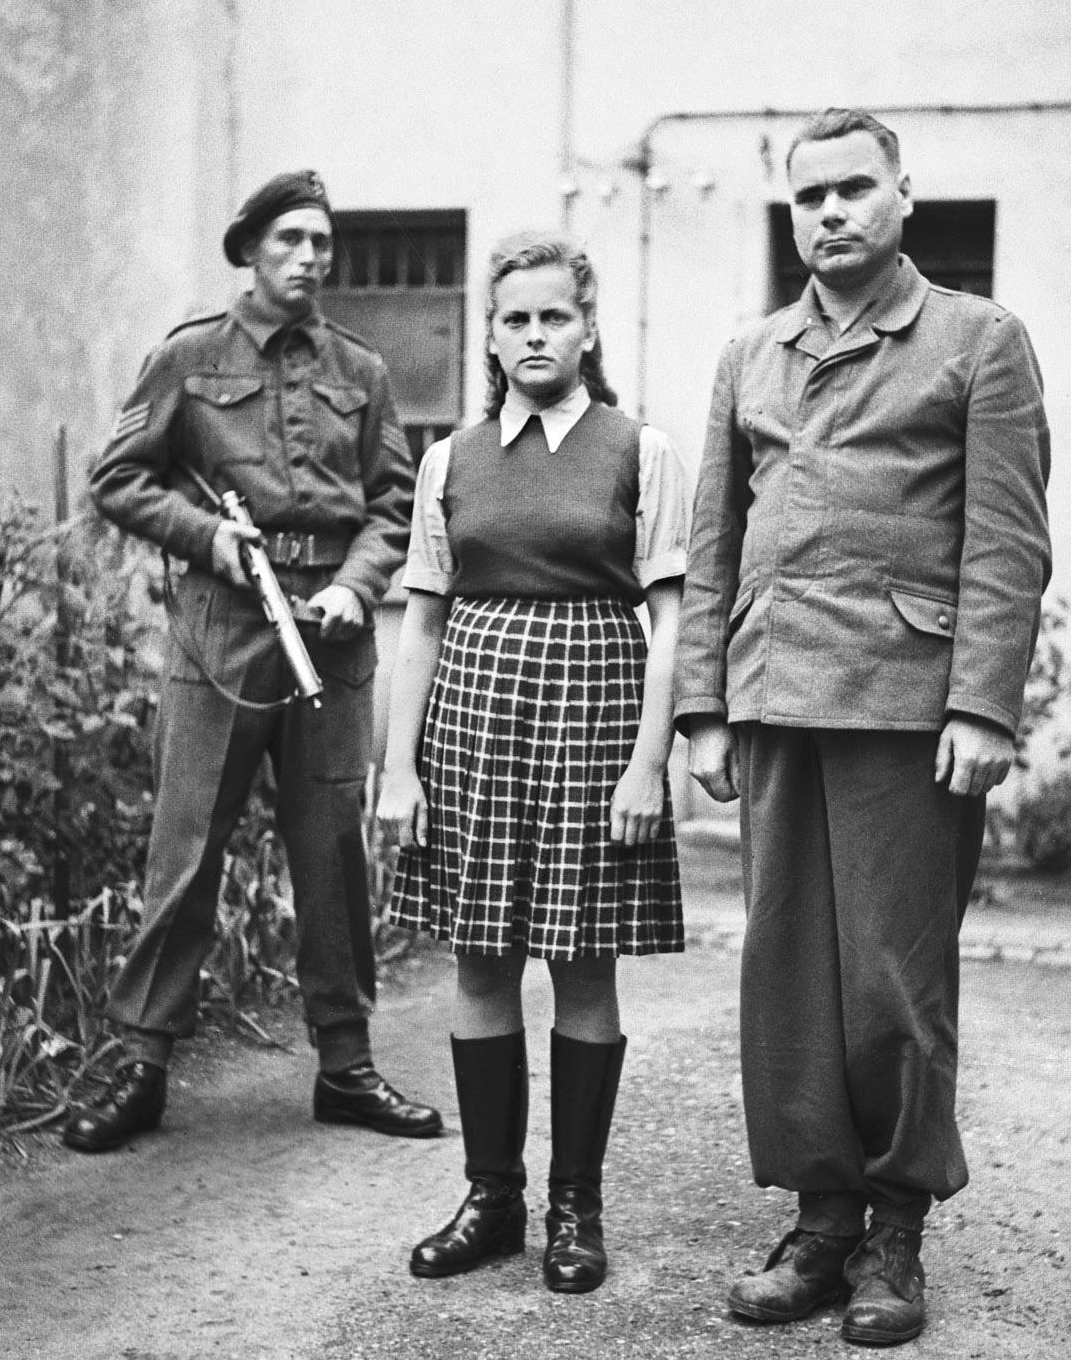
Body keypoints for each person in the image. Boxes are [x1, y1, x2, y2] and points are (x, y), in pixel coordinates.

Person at [674, 109, 1050, 1346]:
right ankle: (821, 1222)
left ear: (903, 196)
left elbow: (1005, 541)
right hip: (774, 695)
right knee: (787, 976)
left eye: (852, 189)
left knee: (893, 977)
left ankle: (895, 1232)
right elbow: (714, 547)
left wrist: (982, 702)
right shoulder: (751, 354)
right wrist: (702, 710)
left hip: (904, 703)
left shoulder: (975, 341)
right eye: (807, 197)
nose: (828, 213)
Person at [64, 169, 442, 1152]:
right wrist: (207, 538)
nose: (310, 257)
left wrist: (359, 586)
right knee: (184, 853)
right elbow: (118, 479)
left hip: (330, 630)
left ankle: (348, 1067)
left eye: (321, 241)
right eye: (290, 240)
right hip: (223, 629)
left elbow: (393, 503)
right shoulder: (188, 358)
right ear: (250, 250)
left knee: (333, 857)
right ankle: (141, 1064)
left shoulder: (360, 370)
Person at [378, 231, 688, 1294]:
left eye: (554, 315)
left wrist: (649, 764)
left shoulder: (636, 450)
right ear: (492, 338)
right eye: (514, 319)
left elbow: (673, 619)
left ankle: (575, 1210)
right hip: (472, 717)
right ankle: (491, 1198)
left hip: (593, 713)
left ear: (588, 328)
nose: (534, 333)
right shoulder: (449, 460)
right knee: (478, 958)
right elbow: (417, 626)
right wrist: (397, 770)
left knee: (581, 962)